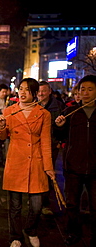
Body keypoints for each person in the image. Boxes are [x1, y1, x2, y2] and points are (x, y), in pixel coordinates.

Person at [0, 78, 55, 247]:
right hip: (16, 161)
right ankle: (15, 236)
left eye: (27, 90)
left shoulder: (44, 114)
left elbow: (45, 142)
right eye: (20, 89)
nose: (22, 93)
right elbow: (2, 137)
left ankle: (31, 230)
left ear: (35, 94)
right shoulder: (9, 111)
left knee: (36, 205)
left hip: (36, 162)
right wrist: (1, 127)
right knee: (15, 205)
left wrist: (49, 167)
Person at [54, 75, 96, 247]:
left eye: (90, 89)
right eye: (82, 89)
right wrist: (59, 126)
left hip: (95, 168)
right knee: (72, 204)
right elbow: (59, 138)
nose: (85, 93)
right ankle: (73, 233)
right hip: (73, 167)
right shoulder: (71, 112)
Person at [37, 81, 65, 215]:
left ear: (49, 92)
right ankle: (35, 199)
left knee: (48, 173)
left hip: (51, 145)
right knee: (36, 172)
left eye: (43, 91)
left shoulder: (59, 106)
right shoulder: (33, 106)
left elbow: (64, 128)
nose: (41, 94)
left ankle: (45, 203)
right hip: (36, 145)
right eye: (38, 91)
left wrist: (59, 136)